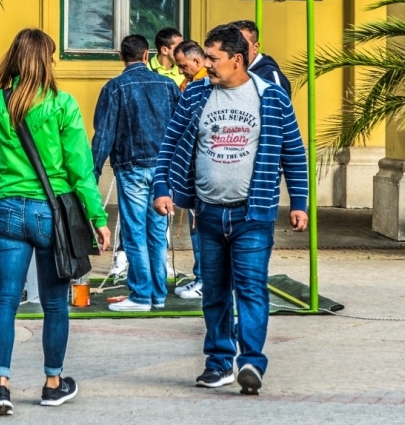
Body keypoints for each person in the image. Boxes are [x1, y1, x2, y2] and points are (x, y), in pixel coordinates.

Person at [0, 28, 110, 416]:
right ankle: (53, 383)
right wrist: (98, 217)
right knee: (56, 305)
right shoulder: (62, 104)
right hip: (50, 214)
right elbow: (81, 170)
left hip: (8, 209)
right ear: (46, 60)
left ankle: (1, 387)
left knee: (5, 300)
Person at [153, 25, 308, 395]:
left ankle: (251, 360)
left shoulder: (269, 96)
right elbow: (170, 143)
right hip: (206, 213)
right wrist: (162, 187)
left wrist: (299, 203)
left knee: (252, 288)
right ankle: (219, 362)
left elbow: (294, 152)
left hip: (252, 214)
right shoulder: (195, 96)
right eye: (205, 57)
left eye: (213, 58)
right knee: (216, 292)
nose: (205, 64)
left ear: (237, 60)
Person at [92, 34, 180, 313]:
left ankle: (141, 295)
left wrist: (91, 176)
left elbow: (103, 135)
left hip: (131, 168)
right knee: (157, 232)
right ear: (146, 55)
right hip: (164, 170)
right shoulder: (168, 85)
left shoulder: (114, 87)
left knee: (134, 232)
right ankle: (157, 294)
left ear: (121, 57)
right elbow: (182, 130)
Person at [171, 39, 208, 300]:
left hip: (203, 173)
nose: (181, 70)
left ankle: (206, 279)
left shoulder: (203, 87)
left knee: (201, 225)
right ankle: (201, 276)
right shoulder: (191, 85)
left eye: (183, 66)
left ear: (197, 61)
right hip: (193, 170)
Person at [226, 20, 292, 97]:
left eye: (242, 44)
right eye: (231, 44)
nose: (235, 49)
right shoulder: (224, 73)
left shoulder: (270, 76)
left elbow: (278, 107)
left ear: (255, 47)